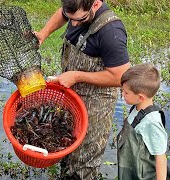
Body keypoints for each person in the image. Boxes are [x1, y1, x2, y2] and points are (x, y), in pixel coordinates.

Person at [35, 0, 130, 179]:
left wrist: (77, 76)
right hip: (72, 96)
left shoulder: (111, 31)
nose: (75, 24)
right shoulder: (76, 7)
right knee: (66, 146)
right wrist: (43, 34)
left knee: (84, 160)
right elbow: (64, 13)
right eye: (70, 19)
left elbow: (121, 76)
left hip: (96, 103)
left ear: (95, 4)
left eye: (80, 19)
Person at [118, 63, 169, 179]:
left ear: (141, 97)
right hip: (130, 170)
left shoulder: (152, 122)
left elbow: (161, 157)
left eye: (126, 92)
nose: (122, 95)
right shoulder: (136, 108)